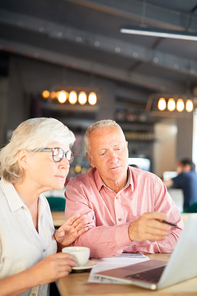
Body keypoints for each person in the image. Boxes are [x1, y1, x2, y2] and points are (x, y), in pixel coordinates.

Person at [65, 119, 184, 259]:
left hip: (146, 269)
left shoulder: (152, 183)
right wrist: (130, 233)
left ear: (126, 147)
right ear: (91, 160)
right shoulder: (79, 188)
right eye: (103, 153)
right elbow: (81, 242)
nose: (114, 158)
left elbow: (177, 235)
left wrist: (128, 243)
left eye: (118, 148)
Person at [0, 117, 88, 296]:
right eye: (56, 153)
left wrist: (59, 245)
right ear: (24, 158)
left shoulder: (43, 204)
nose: (65, 164)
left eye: (67, 155)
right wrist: (34, 275)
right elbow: (37, 272)